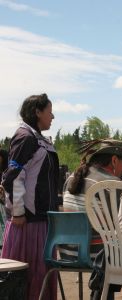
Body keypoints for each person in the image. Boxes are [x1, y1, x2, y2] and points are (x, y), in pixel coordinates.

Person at [1, 94, 59, 300]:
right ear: (37, 112)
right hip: (27, 222)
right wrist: (17, 212)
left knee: (39, 273)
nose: (53, 116)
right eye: (49, 111)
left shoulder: (38, 139)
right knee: (25, 276)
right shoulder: (26, 138)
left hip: (40, 220)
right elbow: (14, 178)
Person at [61, 139, 122, 257]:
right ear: (114, 160)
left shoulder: (72, 178)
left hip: (67, 252)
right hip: (97, 254)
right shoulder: (112, 184)